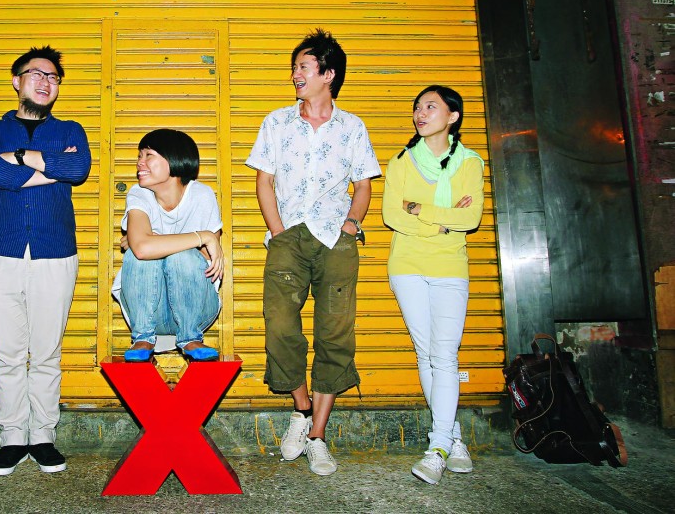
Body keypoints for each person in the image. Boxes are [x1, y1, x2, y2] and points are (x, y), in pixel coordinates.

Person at [246, 28, 381, 477]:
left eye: (303, 67)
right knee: (280, 328)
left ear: (328, 74)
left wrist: (351, 225)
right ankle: (302, 411)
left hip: (336, 240)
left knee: (335, 333)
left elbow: (362, 186)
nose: (294, 75)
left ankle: (318, 436)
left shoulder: (352, 127)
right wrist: (278, 231)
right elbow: (264, 181)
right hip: (289, 236)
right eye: (295, 68)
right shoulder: (276, 122)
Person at [0, 45, 91, 477]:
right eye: (36, 74)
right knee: (7, 352)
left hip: (55, 250)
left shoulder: (71, 128)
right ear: (17, 80)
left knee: (46, 353)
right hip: (2, 250)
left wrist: (18, 162)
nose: (45, 81)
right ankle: (11, 438)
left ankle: (43, 436)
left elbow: (78, 171)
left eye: (54, 77)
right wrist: (48, 169)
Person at [381, 85, 484, 484]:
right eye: (417, 108)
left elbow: (471, 218)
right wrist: (442, 221)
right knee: (427, 353)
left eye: (430, 107)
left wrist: (421, 208)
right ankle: (451, 438)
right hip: (406, 264)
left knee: (445, 354)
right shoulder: (402, 161)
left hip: (449, 266)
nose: (420, 114)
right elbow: (393, 215)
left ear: (453, 116)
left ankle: (438, 445)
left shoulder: (470, 163)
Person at [111, 129, 224, 363]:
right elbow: (142, 247)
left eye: (148, 155)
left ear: (173, 160)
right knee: (136, 255)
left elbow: (201, 260)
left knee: (182, 256)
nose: (140, 163)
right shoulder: (139, 194)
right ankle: (142, 337)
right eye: (139, 155)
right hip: (150, 309)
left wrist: (157, 239)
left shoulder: (201, 195)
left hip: (197, 307)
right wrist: (203, 236)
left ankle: (191, 337)